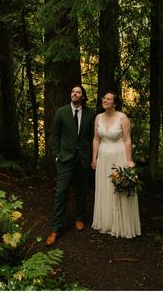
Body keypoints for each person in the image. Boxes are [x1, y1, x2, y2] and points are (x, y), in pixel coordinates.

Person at [46, 84, 95, 246]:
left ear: (83, 96)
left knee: (82, 190)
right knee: (61, 192)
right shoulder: (61, 112)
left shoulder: (90, 114)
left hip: (83, 159)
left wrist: (91, 157)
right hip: (65, 159)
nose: (75, 94)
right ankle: (55, 229)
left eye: (78, 92)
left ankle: (79, 218)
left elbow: (91, 137)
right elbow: (56, 135)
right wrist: (58, 156)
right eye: (73, 91)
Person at [91, 91, 141, 238]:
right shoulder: (98, 117)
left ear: (115, 103)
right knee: (104, 188)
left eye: (108, 99)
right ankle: (106, 222)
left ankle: (120, 224)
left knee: (117, 189)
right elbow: (96, 139)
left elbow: (127, 140)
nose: (105, 100)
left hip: (118, 157)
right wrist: (94, 158)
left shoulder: (122, 118)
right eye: (104, 98)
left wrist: (129, 160)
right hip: (103, 158)